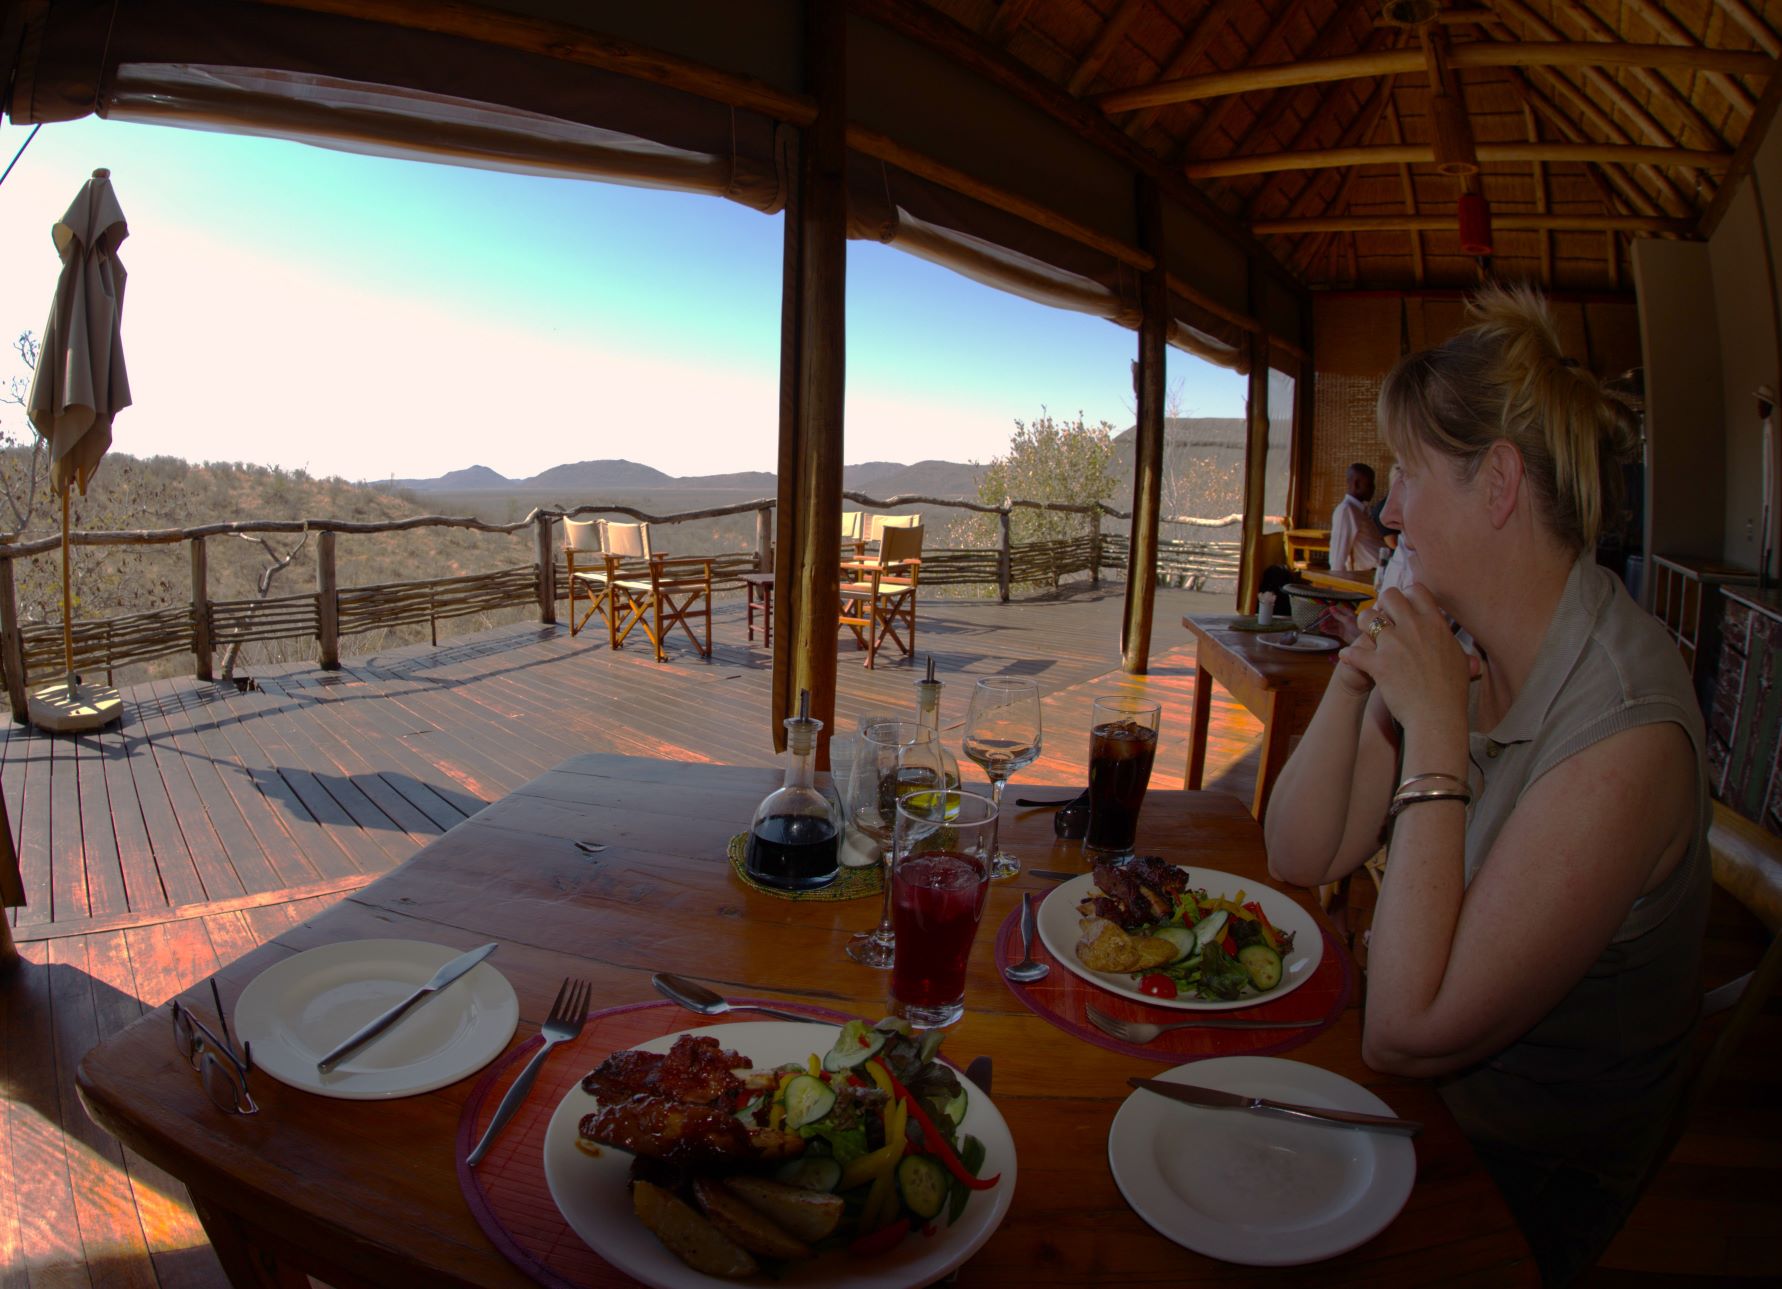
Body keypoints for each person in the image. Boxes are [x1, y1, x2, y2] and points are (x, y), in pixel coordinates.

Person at [1263, 286, 1708, 1286]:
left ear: (1498, 483)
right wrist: (1359, 672)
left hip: (1522, 1188)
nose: (1390, 511)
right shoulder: (1466, 638)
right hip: (1424, 1116)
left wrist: (1433, 733)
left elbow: (1406, 1034)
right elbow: (1301, 850)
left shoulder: (1623, 731)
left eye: (1410, 474)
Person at [1329, 462, 1386, 572]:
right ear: (1357, 484)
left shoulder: (1361, 510)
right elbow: (1338, 556)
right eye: (1370, 484)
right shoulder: (1346, 510)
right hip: (1366, 573)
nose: (1373, 489)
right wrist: (1336, 580)